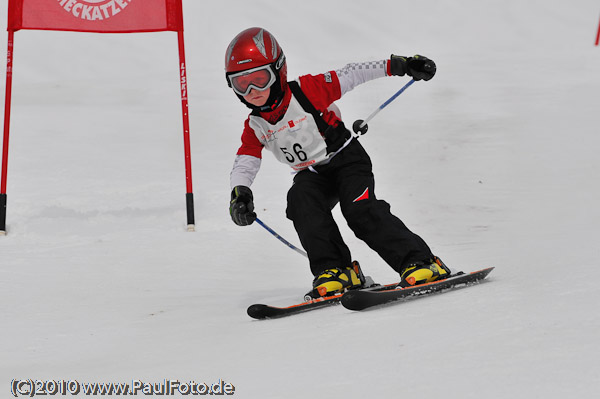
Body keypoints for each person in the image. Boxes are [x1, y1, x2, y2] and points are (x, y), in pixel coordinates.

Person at [226, 27, 450, 298]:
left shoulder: (307, 91)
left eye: (260, 79)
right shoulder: (256, 125)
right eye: (241, 83)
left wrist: (401, 65)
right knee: (301, 202)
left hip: (347, 160)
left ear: (279, 71)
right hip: (312, 174)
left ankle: (421, 262)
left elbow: (352, 73)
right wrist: (240, 192)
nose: (252, 90)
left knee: (359, 211)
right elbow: (246, 159)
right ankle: (336, 270)